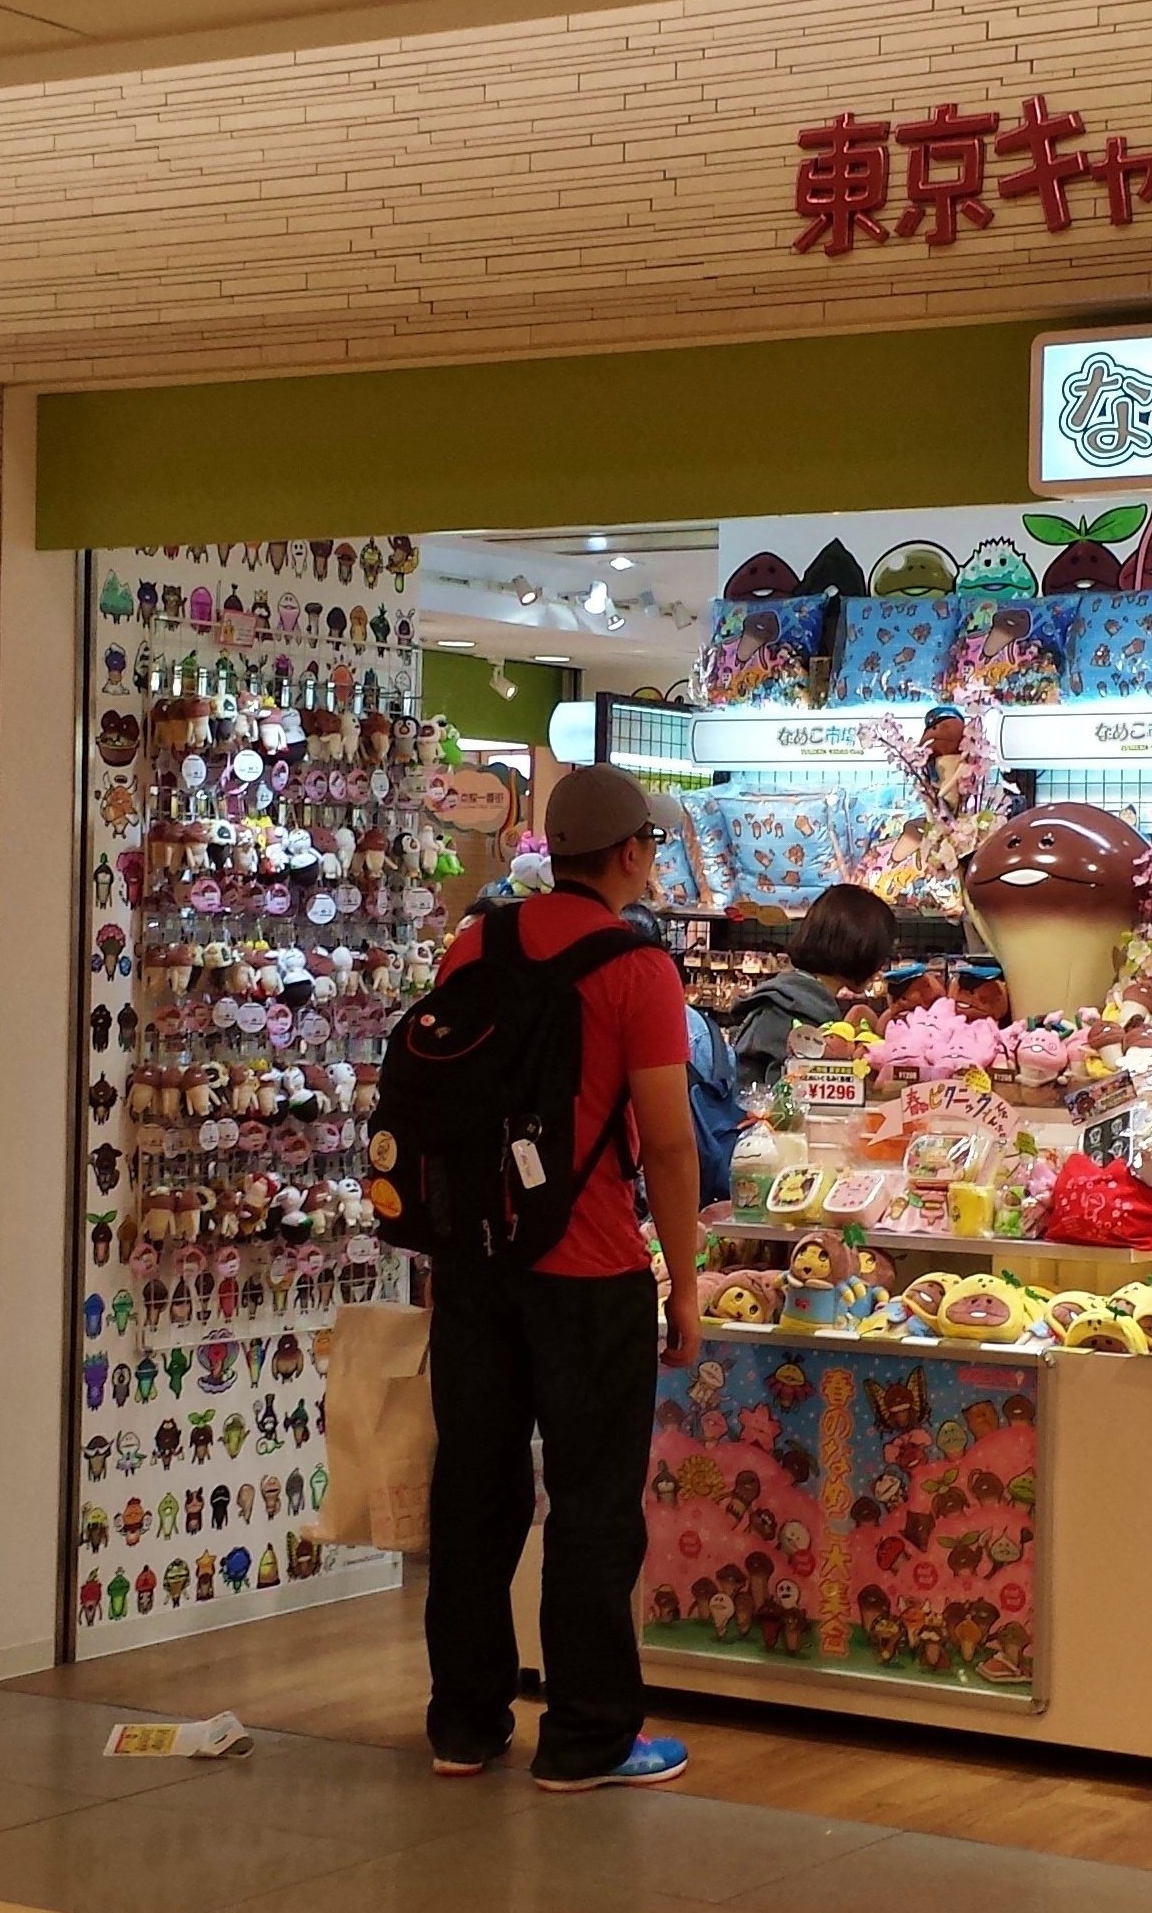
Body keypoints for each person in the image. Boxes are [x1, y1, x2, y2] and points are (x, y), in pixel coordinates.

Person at [422, 765, 702, 1792]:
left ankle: (462, 1724)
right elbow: (667, 1142)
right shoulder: (638, 967)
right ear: (628, 852)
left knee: (473, 1491)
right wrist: (685, 1283)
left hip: (475, 1261)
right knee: (591, 1504)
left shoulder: (474, 943)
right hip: (589, 1267)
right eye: (652, 845)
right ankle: (585, 1737)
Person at [619, 903, 742, 1206]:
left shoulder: (641, 1022)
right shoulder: (701, 1025)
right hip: (710, 1178)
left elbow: (664, 1145)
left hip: (657, 1194)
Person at [729, 882, 899, 1101]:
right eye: (881, 955)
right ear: (861, 948)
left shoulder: (793, 999)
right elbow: (787, 1106)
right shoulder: (791, 1011)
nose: (881, 967)